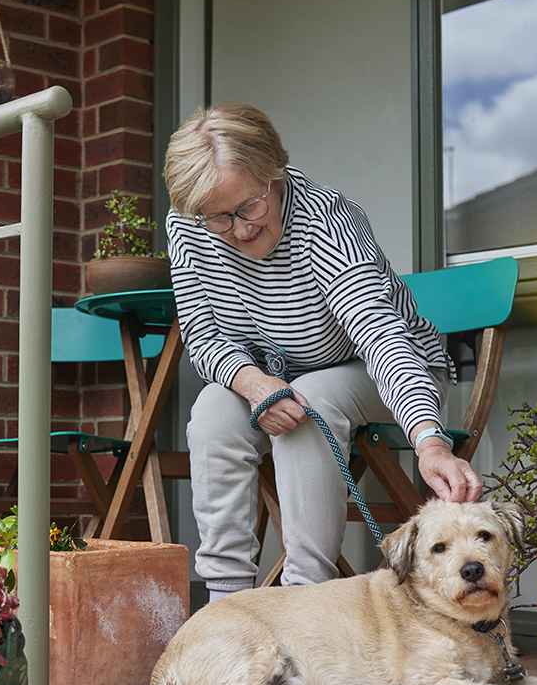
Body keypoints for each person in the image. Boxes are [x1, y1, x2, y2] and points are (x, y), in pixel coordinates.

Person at [163, 103, 484, 602]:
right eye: (220, 220)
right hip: (277, 377)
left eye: (248, 208)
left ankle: (307, 595)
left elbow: (381, 337)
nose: (239, 230)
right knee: (211, 409)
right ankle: (225, 602)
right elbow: (203, 338)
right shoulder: (189, 226)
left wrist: (429, 442)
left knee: (309, 396)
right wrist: (251, 382)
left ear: (274, 173)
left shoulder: (326, 221)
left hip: (390, 373)